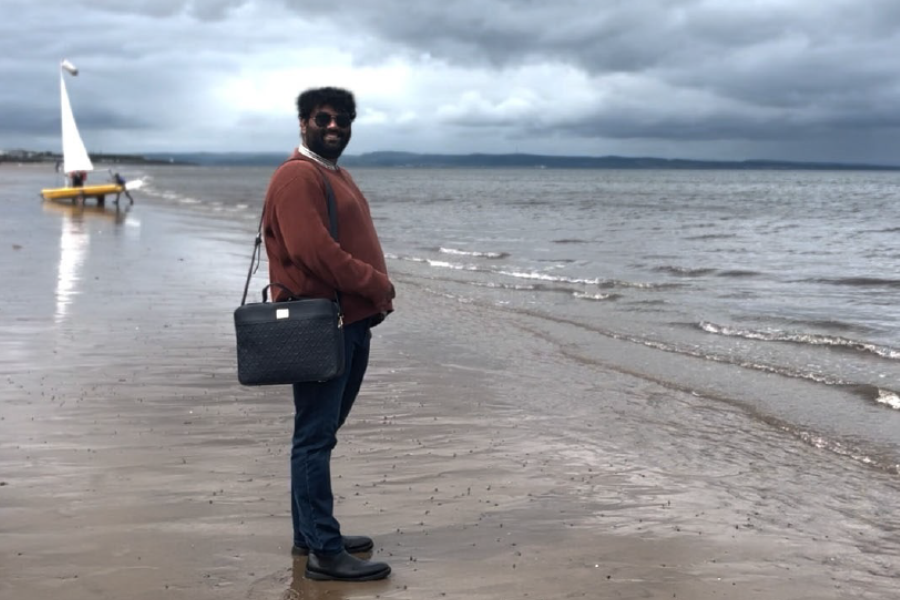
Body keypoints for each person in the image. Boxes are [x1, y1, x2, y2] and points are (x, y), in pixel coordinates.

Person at [262, 87, 395, 582]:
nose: (335, 126)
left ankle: (310, 533)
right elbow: (313, 251)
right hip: (324, 324)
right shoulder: (299, 176)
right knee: (315, 437)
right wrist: (376, 283)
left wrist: (372, 300)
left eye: (344, 119)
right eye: (324, 118)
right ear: (303, 123)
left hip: (347, 320)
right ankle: (323, 549)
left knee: (318, 434)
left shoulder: (331, 173)